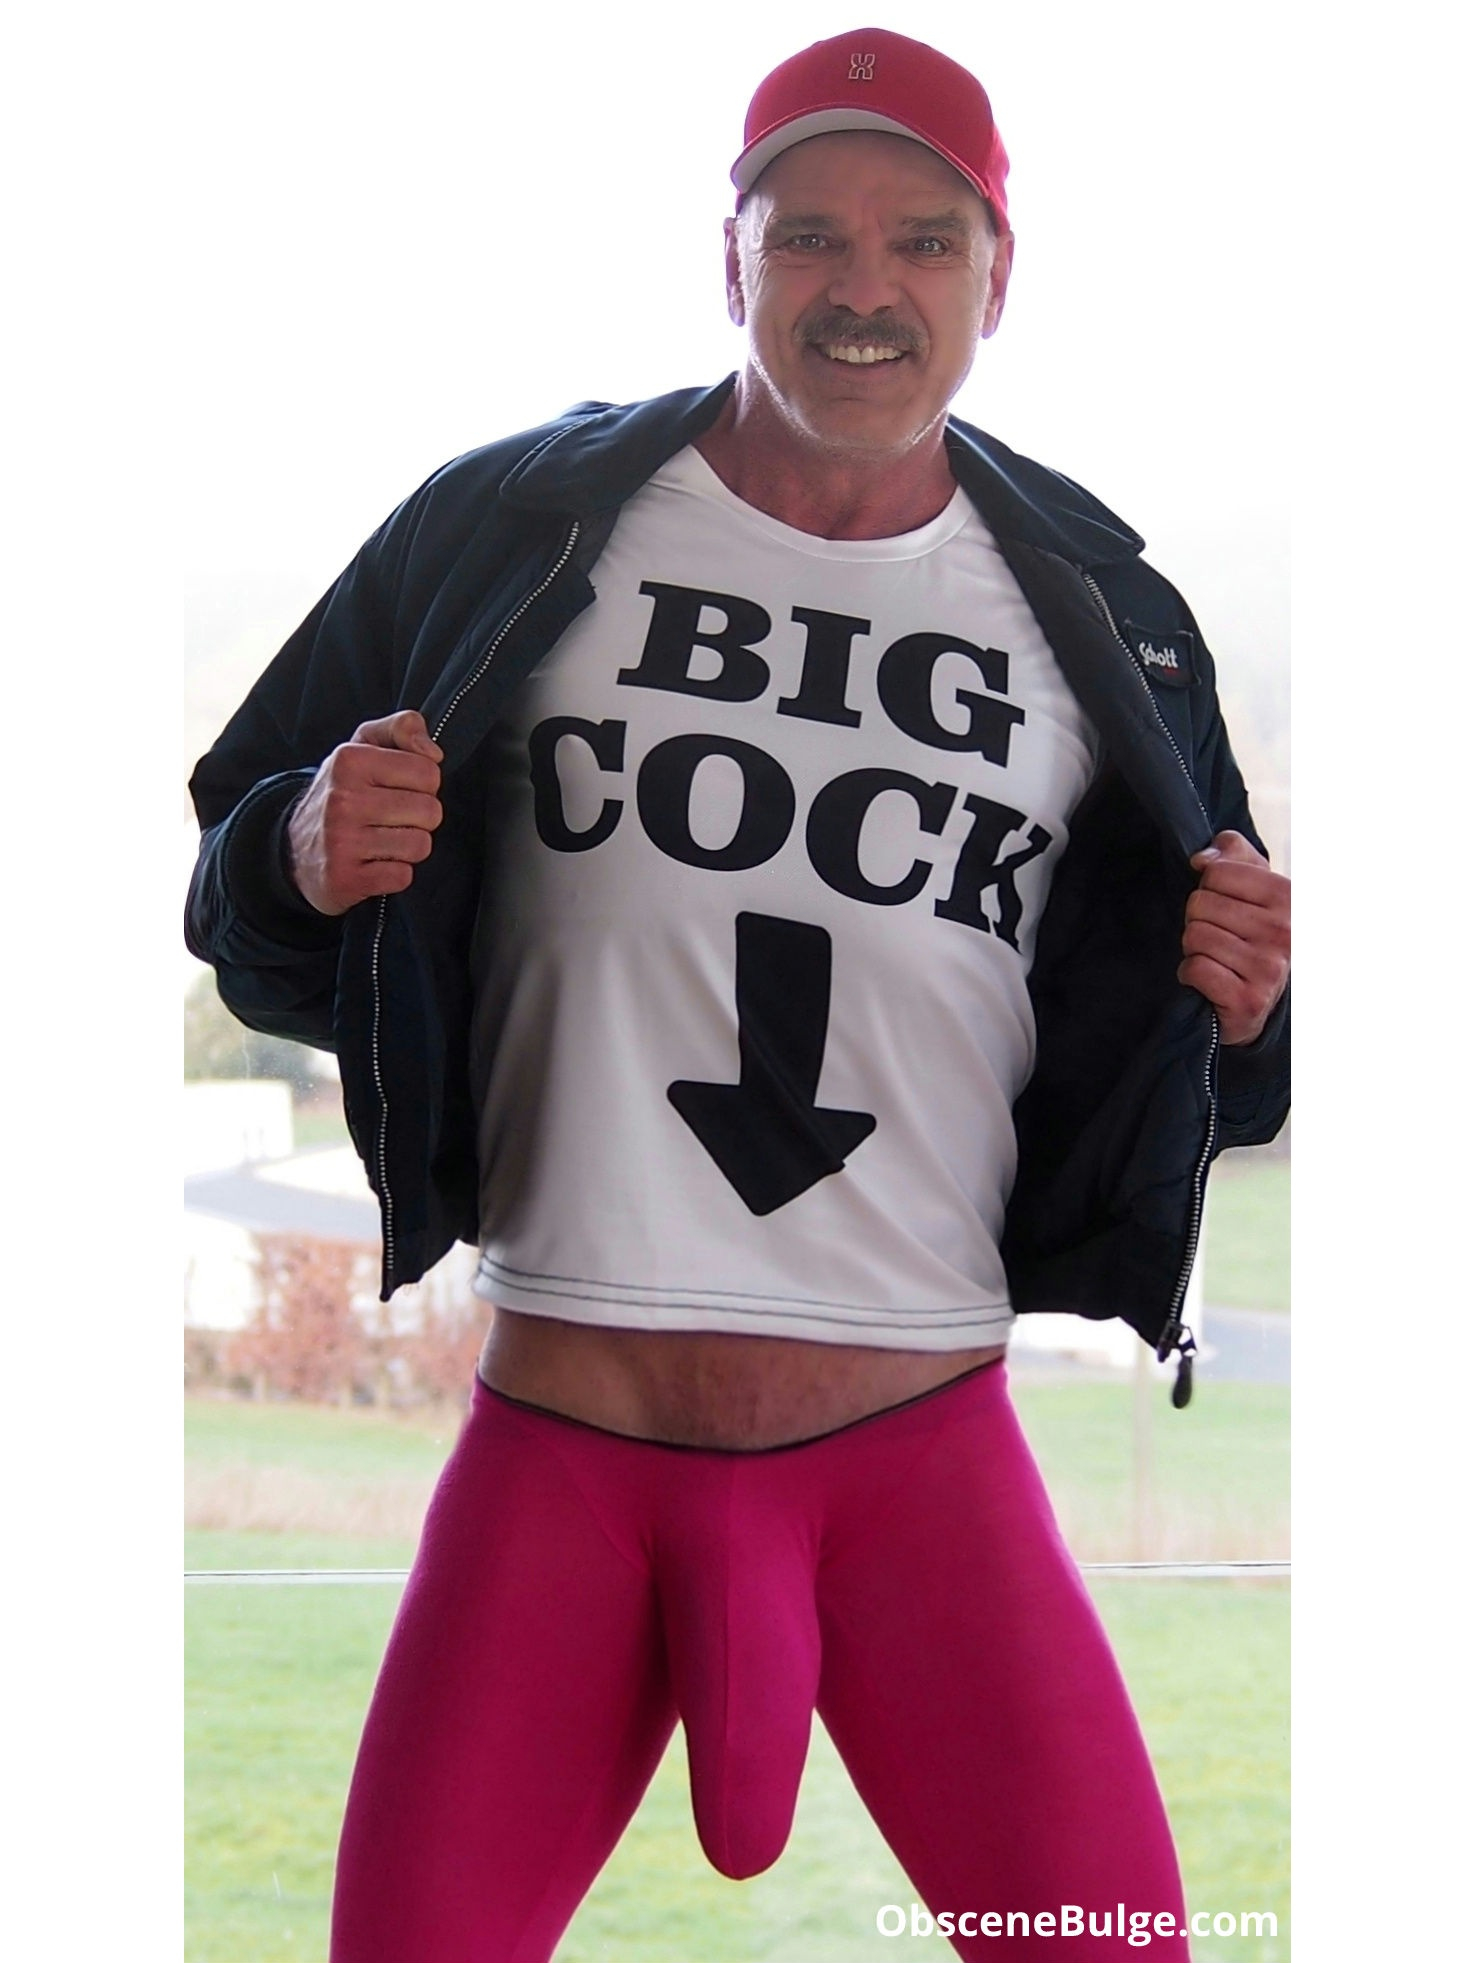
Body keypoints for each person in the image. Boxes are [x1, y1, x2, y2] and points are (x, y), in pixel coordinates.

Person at [186, 27, 1289, 1961]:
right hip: (561, 1446)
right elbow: (242, 883)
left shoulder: (1108, 616)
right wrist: (299, 844)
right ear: (731, 262)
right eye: (809, 238)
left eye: (923, 241)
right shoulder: (509, 522)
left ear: (996, 279)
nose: (865, 288)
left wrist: (1259, 1000)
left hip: (925, 1463)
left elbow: (1223, 1069)